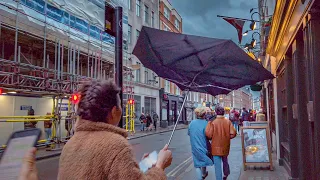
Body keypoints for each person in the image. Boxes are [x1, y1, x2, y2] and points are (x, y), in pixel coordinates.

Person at [58, 80, 172, 179]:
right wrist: (160, 166)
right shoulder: (116, 146)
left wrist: (140, 168)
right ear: (114, 112)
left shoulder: (70, 144)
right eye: (120, 105)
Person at [205, 106, 237, 180]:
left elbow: (208, 134)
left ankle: (219, 178)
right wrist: (227, 137)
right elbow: (233, 133)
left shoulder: (213, 122)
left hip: (215, 146)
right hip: (225, 145)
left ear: (216, 112)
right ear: (223, 112)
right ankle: (226, 173)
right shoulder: (228, 121)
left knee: (217, 165)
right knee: (225, 160)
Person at [188, 107, 213, 180]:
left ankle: (203, 174)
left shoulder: (192, 123)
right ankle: (203, 174)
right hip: (204, 145)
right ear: (204, 114)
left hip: (195, 146)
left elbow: (189, 133)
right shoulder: (206, 123)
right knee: (203, 159)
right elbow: (209, 136)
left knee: (197, 164)